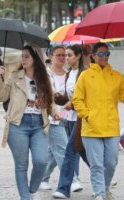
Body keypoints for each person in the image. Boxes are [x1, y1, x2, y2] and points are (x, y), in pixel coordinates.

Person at [0, 45, 61, 200]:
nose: (23, 59)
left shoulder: (44, 77)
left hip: (39, 124)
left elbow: (50, 100)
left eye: (26, 56)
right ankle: (26, 197)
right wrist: (1, 78)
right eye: (22, 56)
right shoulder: (14, 75)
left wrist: (55, 113)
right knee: (21, 165)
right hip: (18, 124)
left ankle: (31, 189)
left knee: (41, 161)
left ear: (35, 59)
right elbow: (1, 97)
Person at [72, 42, 124, 200]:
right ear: (93, 56)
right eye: (100, 54)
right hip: (91, 128)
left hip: (111, 127)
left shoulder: (116, 76)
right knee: (96, 164)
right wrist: (87, 115)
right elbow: (77, 100)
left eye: (107, 54)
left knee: (111, 162)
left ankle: (105, 188)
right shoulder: (85, 76)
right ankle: (99, 193)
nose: (104, 57)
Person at [52, 44, 89, 199]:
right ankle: (105, 175)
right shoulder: (69, 74)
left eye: (69, 55)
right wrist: (57, 97)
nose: (66, 58)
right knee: (83, 151)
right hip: (70, 118)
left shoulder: (85, 73)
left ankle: (63, 188)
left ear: (79, 56)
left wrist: (73, 104)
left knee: (69, 151)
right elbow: (68, 98)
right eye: (65, 55)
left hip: (81, 118)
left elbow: (86, 96)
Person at [39, 46, 71, 191]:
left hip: (69, 116)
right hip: (53, 117)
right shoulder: (45, 74)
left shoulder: (69, 74)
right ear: (50, 56)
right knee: (63, 150)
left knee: (54, 150)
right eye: (58, 55)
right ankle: (71, 179)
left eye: (64, 55)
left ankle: (42, 178)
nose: (62, 58)